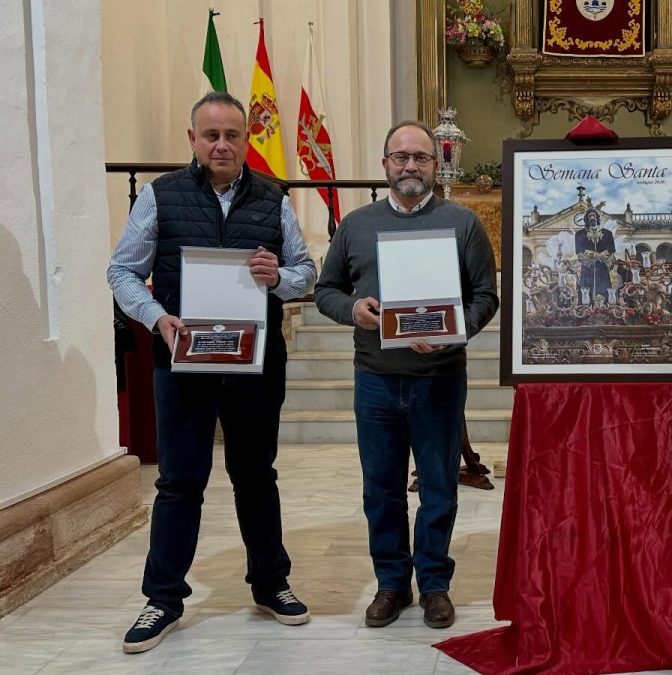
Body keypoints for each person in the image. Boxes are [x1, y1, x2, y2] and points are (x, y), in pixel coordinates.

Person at [107, 91, 317, 653]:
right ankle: (163, 598)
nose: (221, 144)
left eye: (232, 135)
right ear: (193, 140)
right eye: (210, 135)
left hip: (255, 364)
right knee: (179, 481)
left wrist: (280, 278)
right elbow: (122, 272)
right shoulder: (158, 196)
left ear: (247, 139)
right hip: (183, 363)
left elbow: (305, 272)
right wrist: (157, 318)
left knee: (256, 475)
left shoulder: (274, 199)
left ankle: (271, 585)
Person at [313, 120, 498, 629]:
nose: (410, 166)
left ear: (436, 164)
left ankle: (434, 583)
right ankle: (392, 583)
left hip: (438, 377)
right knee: (381, 488)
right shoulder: (356, 224)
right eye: (401, 157)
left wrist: (456, 330)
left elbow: (487, 296)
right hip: (375, 377)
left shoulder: (462, 224)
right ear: (385, 165)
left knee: (439, 486)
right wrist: (354, 310)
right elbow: (326, 289)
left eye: (420, 157)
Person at [574, 206, 616, 305]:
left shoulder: (607, 234)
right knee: (586, 290)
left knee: (604, 288)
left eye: (594, 215)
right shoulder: (579, 234)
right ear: (586, 219)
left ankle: (606, 309)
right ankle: (585, 308)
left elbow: (612, 250)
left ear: (597, 218)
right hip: (587, 268)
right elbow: (579, 251)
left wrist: (602, 256)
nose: (592, 217)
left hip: (602, 268)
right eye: (589, 216)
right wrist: (593, 255)